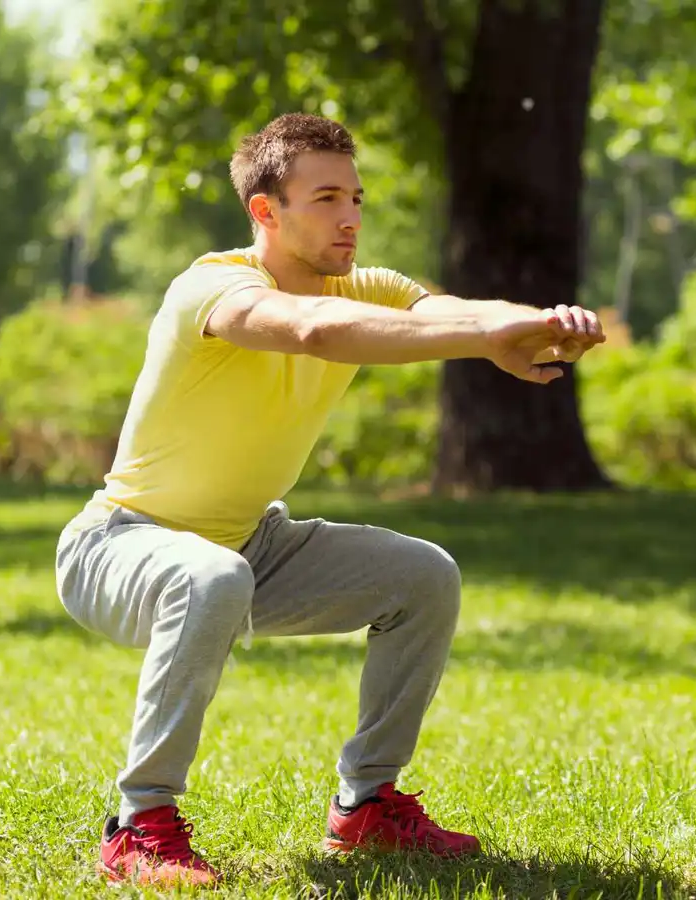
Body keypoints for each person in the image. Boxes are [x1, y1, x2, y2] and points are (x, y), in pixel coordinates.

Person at [54, 112, 605, 888]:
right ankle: (140, 824)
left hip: (252, 544)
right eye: (325, 198)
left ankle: (367, 807)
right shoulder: (212, 287)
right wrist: (486, 337)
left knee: (424, 575)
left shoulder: (364, 286)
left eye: (356, 196)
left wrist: (527, 323)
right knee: (210, 578)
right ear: (265, 212)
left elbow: (442, 312)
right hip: (119, 544)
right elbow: (314, 329)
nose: (349, 216)